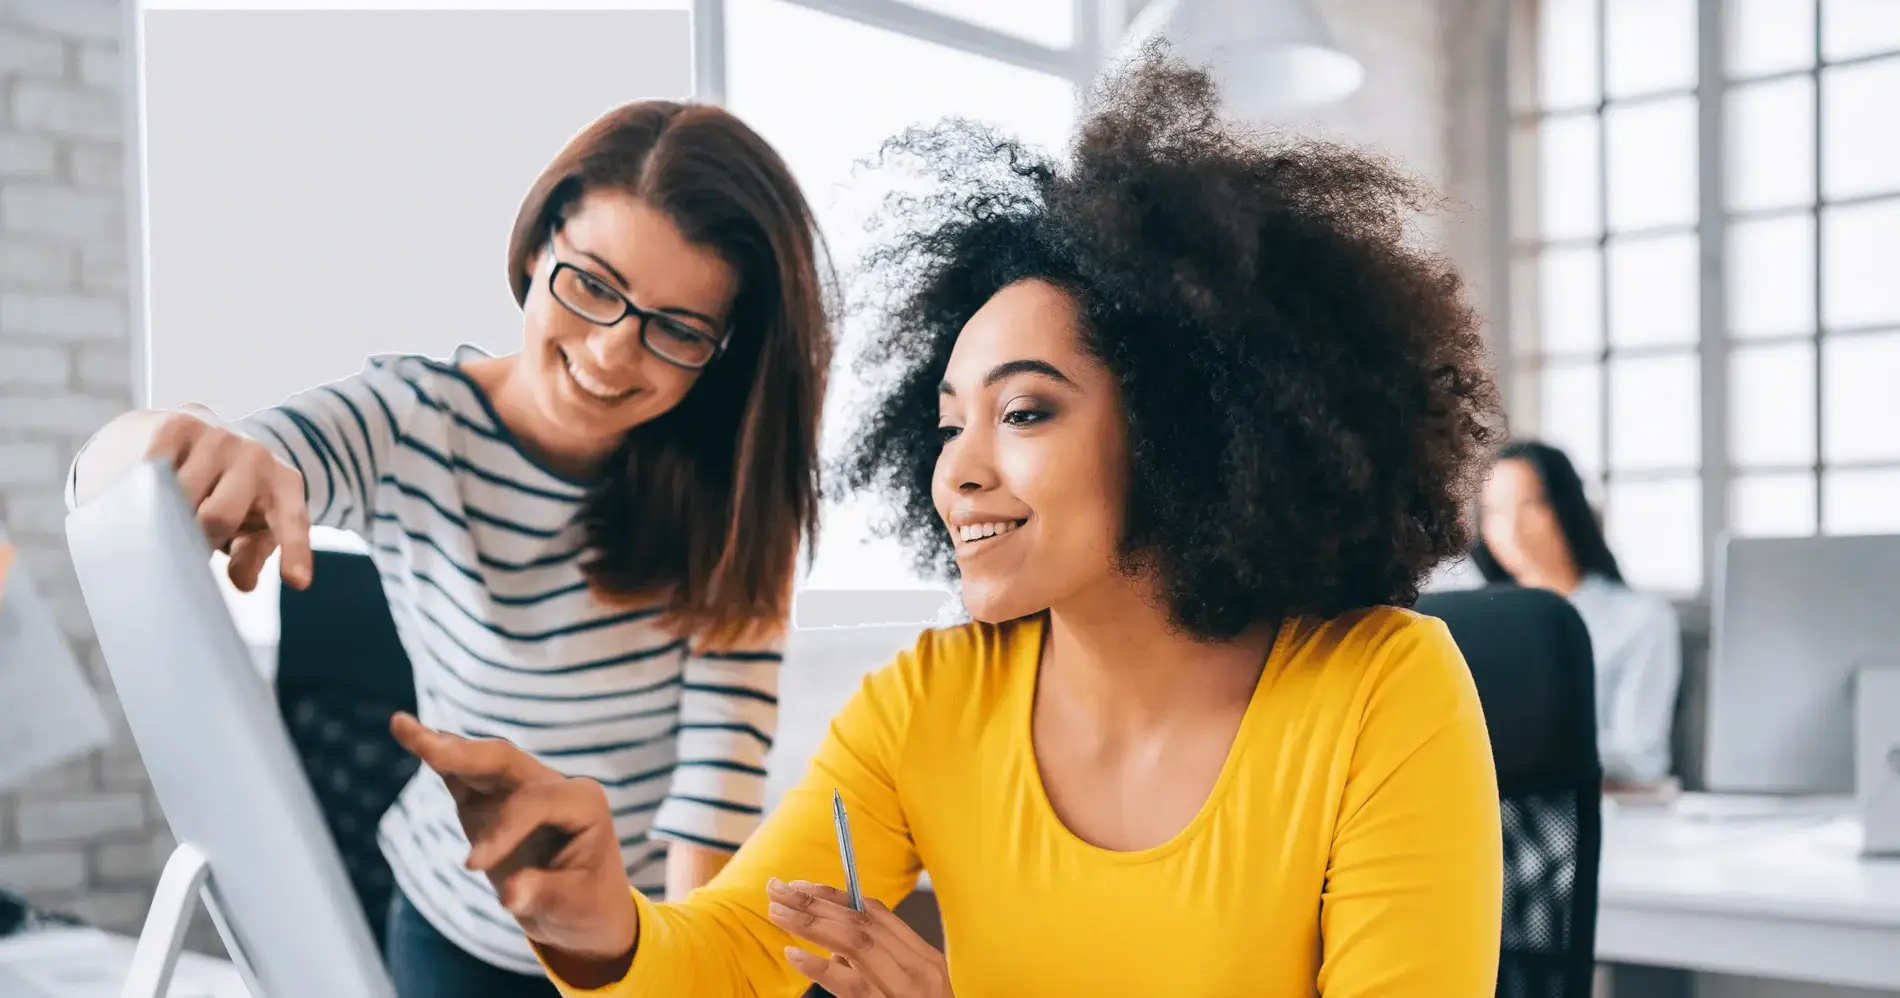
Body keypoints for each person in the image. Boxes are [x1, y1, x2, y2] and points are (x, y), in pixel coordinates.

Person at [391, 50, 1507, 997]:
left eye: (1024, 410)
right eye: (944, 422)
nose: (956, 473)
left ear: (1188, 428)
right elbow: (734, 952)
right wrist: (603, 924)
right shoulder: (931, 702)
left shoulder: (1381, 694)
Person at [67, 100, 832, 998]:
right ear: (538, 248)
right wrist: (174, 442)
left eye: (676, 329)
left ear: (724, 351)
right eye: (591, 283)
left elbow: (714, 792)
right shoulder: (412, 421)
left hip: (630, 945)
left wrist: (673, 980)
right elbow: (143, 471)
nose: (613, 351)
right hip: (453, 931)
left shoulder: (734, 497)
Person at [1472, 440, 1683, 784]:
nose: (1512, 529)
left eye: (1530, 505)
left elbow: (1641, 758)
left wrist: (1525, 749)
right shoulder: (1476, 620)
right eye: (1494, 511)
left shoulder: (1641, 619)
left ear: (1566, 506)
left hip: (1601, 812)